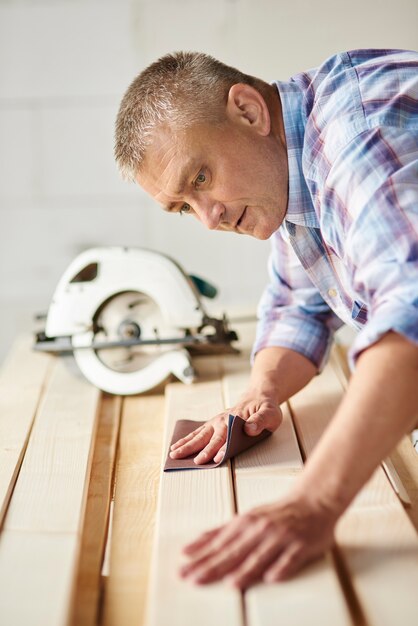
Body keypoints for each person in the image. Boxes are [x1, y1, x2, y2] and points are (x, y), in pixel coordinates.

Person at [114, 49, 418, 589]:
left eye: (201, 176)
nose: (209, 218)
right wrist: (263, 392)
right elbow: (299, 305)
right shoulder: (295, 168)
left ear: (249, 112)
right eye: (185, 206)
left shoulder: (357, 137)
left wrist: (314, 503)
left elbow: (411, 311)